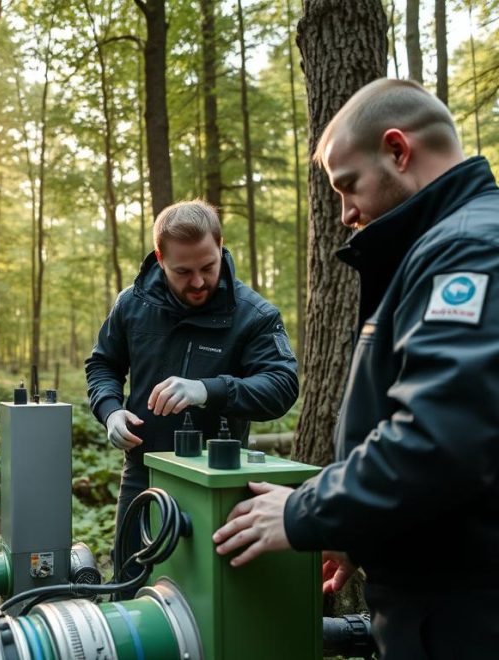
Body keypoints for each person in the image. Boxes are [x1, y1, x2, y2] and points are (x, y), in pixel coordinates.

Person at [212, 78, 499, 658]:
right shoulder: (444, 244)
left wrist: (304, 511)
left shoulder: (469, 248)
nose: (344, 214)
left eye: (348, 186)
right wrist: (356, 527)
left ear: (398, 150)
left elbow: (443, 438)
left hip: (467, 616)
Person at [85, 199, 299, 591]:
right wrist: (110, 411)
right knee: (129, 584)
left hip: (220, 478)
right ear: (160, 258)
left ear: (220, 246)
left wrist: (207, 389)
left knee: (209, 596)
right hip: (144, 472)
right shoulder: (132, 305)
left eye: (208, 267)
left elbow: (282, 386)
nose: (198, 282)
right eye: (183, 271)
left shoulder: (253, 315)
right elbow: (102, 365)